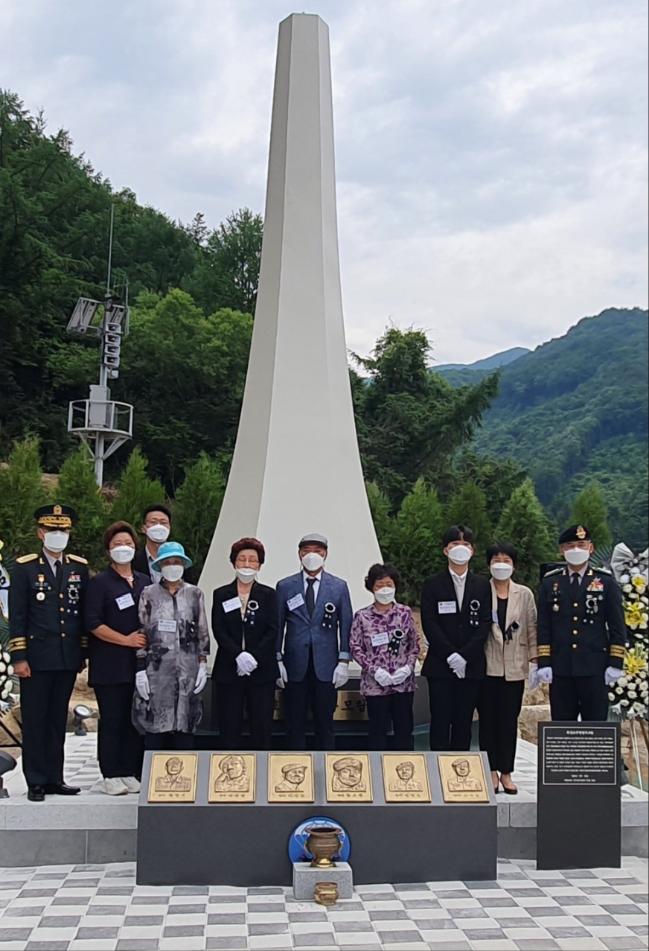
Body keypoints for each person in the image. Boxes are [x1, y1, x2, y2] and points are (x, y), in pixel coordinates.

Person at [8, 505, 89, 801]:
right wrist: (19, 657)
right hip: (37, 657)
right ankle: (36, 780)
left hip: (66, 656)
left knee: (58, 720)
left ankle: (56, 777)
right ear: (41, 533)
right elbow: (17, 615)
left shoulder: (78, 567)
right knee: (35, 719)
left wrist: (81, 653)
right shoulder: (25, 567)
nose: (59, 536)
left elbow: (80, 614)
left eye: (63, 531)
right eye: (53, 531)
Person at [537, 525, 626, 721]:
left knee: (595, 730)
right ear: (561, 550)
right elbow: (544, 626)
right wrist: (544, 662)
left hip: (595, 668)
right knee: (561, 730)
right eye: (569, 545)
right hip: (561, 669)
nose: (575, 550)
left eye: (581, 544)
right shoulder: (550, 583)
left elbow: (617, 625)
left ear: (590, 548)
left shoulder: (605, 582)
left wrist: (616, 662)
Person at [85, 521, 149, 796]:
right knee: (112, 719)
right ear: (108, 550)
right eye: (117, 544)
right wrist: (125, 640)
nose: (123, 548)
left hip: (139, 665)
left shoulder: (144, 581)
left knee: (133, 720)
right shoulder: (100, 583)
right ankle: (110, 772)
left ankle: (129, 770)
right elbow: (92, 622)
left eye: (128, 544)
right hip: (110, 663)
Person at [276, 533, 353, 750]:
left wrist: (344, 660)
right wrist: (278, 660)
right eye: (307, 551)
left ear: (326, 554)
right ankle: (294, 767)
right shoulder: (285, 586)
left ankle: (326, 769)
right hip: (295, 664)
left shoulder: (338, 586)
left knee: (325, 721)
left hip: (326, 664)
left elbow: (346, 624)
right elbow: (278, 625)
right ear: (300, 554)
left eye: (318, 551)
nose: (312, 555)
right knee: (294, 721)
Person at [132, 541, 209, 749]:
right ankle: (154, 776)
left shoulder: (195, 594)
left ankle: (185, 775)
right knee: (156, 724)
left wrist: (203, 663)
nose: (172, 566)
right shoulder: (149, 593)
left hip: (188, 668)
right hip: (157, 670)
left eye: (177, 562)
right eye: (168, 562)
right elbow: (142, 630)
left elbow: (202, 629)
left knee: (186, 722)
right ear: (160, 566)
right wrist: (140, 668)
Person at [421, 525, 491, 751]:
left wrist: (465, 656)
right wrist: (451, 654)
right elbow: (429, 622)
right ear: (445, 550)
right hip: (440, 665)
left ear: (473, 550)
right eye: (454, 544)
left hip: (471, 665)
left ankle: (458, 778)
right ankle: (436, 774)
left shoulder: (482, 585)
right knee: (440, 720)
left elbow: (485, 623)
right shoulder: (433, 584)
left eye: (465, 544)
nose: (460, 548)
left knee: (463, 721)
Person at [478, 542, 538, 795]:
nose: (501, 564)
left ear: (514, 564)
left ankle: (506, 772)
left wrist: (536, 661)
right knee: (487, 721)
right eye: (496, 559)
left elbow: (533, 628)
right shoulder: (481, 589)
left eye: (506, 560)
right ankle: (490, 770)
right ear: (489, 563)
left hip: (514, 667)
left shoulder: (524, 594)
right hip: (487, 666)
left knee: (508, 721)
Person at [211, 538, 278, 749]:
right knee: (229, 725)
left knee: (261, 725)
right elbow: (219, 629)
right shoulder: (221, 594)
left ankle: (261, 774)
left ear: (259, 565)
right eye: (242, 559)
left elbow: (273, 630)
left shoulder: (269, 595)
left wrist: (252, 657)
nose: (247, 564)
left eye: (252, 560)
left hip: (262, 670)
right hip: (229, 668)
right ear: (233, 563)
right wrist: (238, 655)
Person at [350, 563, 419, 750]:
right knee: (377, 730)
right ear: (371, 587)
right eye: (379, 585)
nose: (384, 589)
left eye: (388, 584)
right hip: (375, 685)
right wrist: (374, 671)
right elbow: (355, 647)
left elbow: (415, 644)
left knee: (404, 730)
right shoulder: (362, 616)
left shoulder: (404, 613)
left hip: (402, 685)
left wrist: (407, 668)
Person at [133, 504, 172, 582]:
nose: (158, 526)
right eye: (153, 522)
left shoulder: (180, 560)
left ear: (169, 528)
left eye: (163, 523)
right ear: (143, 528)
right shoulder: (133, 560)